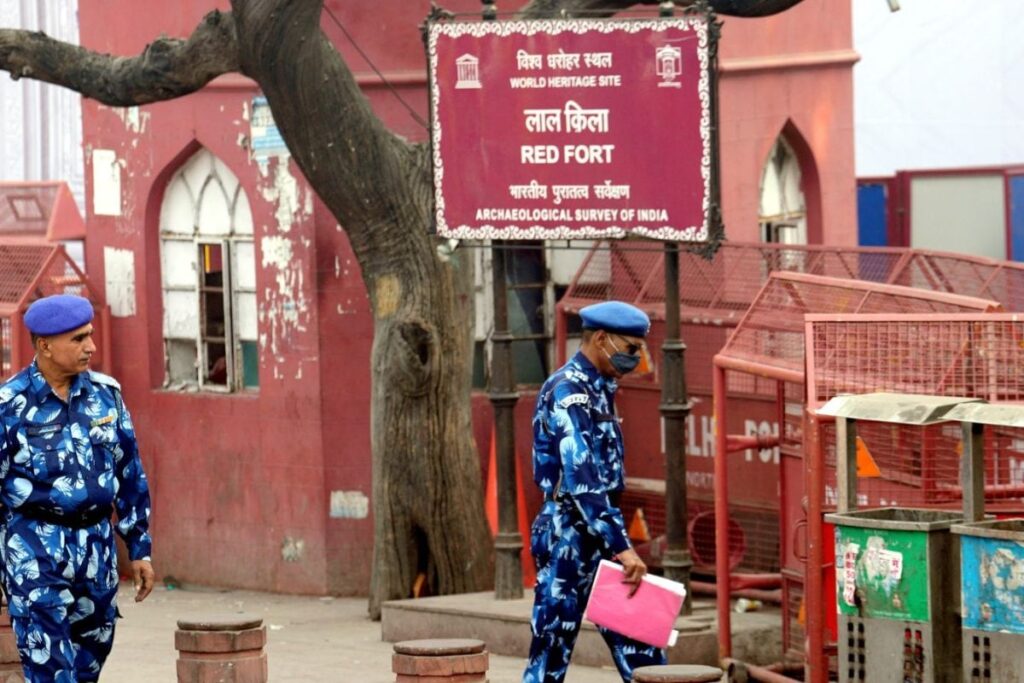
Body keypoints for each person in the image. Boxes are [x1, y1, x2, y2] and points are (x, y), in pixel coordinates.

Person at [0, 294, 154, 682]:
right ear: (45, 345)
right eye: (79, 339)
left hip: (96, 554)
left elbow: (129, 470)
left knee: (87, 667)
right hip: (35, 552)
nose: (91, 347)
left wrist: (139, 547)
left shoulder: (106, 395)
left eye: (90, 336)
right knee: (52, 671)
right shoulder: (9, 405)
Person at [523, 301, 667, 683]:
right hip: (567, 534)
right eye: (632, 349)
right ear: (601, 339)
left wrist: (613, 541)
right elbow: (582, 478)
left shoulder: (601, 389)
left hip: (601, 533)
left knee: (642, 650)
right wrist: (622, 547)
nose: (637, 358)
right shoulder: (569, 392)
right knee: (550, 655)